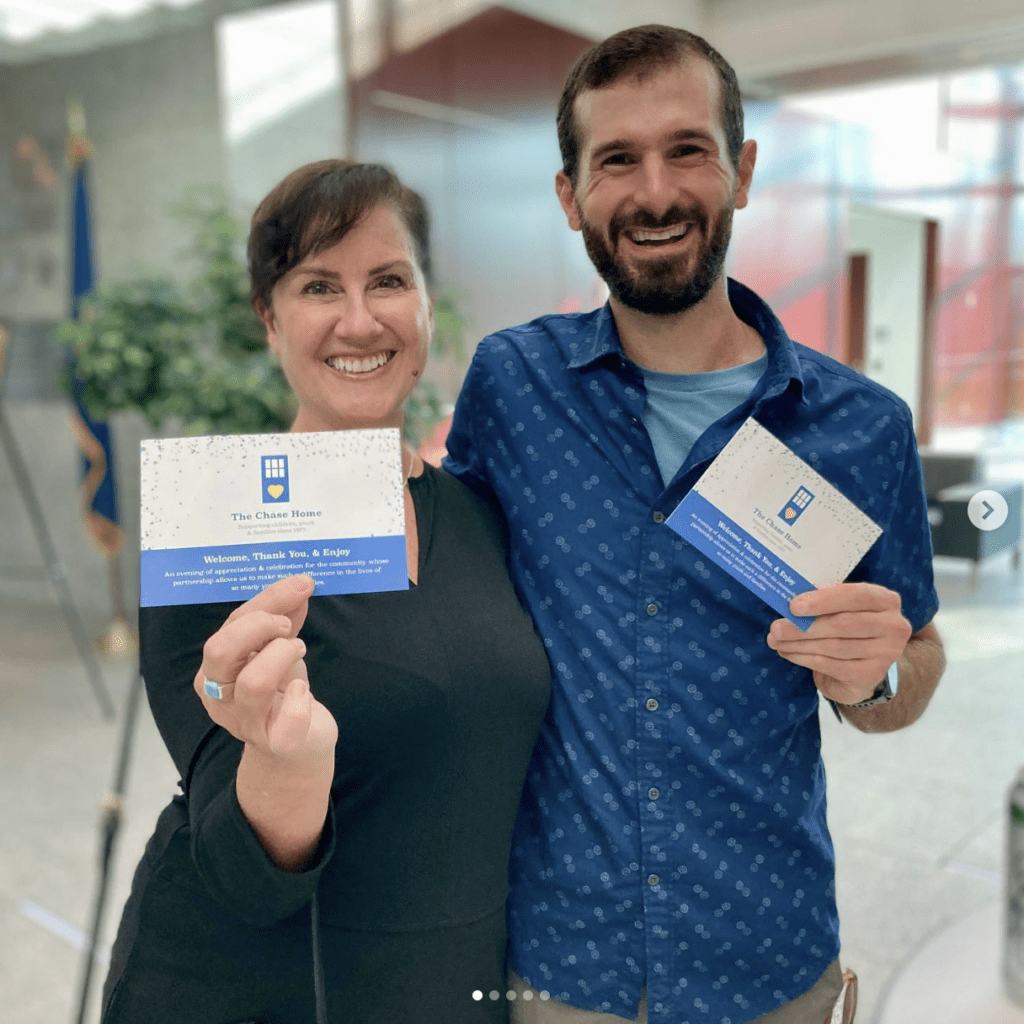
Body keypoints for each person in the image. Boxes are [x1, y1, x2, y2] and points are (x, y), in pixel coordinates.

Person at [444, 24, 946, 1024]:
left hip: (769, 963)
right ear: (569, 195)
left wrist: (873, 676)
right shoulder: (512, 387)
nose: (656, 193)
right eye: (615, 160)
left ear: (742, 170)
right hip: (563, 967)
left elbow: (914, 656)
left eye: (687, 150)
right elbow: (448, 588)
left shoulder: (858, 429)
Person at [101, 160, 551, 1024]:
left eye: (388, 280)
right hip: (248, 991)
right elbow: (240, 872)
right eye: (317, 286)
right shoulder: (215, 528)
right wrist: (285, 761)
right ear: (269, 321)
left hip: (447, 984)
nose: (359, 319)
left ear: (425, 305)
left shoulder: (485, 515)